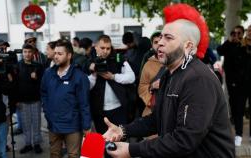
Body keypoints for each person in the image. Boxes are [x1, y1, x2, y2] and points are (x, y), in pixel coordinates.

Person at [103, 3, 234, 158]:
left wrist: (132, 150)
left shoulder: (198, 79)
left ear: (188, 46)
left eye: (168, 38)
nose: (160, 42)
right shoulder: (168, 75)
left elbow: (184, 140)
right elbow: (158, 118)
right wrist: (123, 130)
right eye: (160, 37)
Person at [41, 41, 91, 158]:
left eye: (60, 53)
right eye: (55, 53)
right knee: (54, 154)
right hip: (53, 123)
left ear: (69, 55)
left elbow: (84, 104)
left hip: (72, 125)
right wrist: (48, 113)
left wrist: (86, 126)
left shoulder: (79, 76)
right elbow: (44, 94)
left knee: (73, 155)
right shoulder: (48, 73)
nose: (56, 56)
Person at [88, 35, 135, 135]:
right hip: (99, 111)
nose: (105, 51)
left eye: (108, 48)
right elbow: (86, 87)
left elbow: (131, 77)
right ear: (95, 47)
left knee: (120, 140)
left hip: (118, 108)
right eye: (102, 48)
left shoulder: (118, 58)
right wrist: (94, 73)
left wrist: (113, 77)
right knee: (103, 142)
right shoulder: (88, 61)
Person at [217, 25, 246, 146]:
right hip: (231, 83)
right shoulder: (228, 45)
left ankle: (239, 135)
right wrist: (229, 41)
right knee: (234, 107)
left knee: (239, 109)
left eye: (239, 33)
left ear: (243, 34)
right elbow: (219, 51)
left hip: (244, 83)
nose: (236, 36)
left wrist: (240, 43)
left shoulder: (245, 46)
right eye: (234, 33)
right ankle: (236, 131)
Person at [15, 44, 44, 154]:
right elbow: (15, 84)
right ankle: (27, 144)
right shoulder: (17, 66)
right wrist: (16, 100)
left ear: (33, 53)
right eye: (25, 51)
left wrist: (36, 78)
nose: (27, 54)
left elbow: (42, 83)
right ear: (22, 52)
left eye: (29, 52)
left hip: (36, 99)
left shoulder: (38, 66)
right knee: (26, 124)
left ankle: (36, 144)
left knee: (36, 123)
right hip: (22, 100)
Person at [138, 32, 163, 117]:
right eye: (156, 42)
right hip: (154, 111)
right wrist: (152, 86)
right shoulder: (148, 64)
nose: (159, 44)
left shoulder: (175, 62)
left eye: (161, 41)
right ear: (152, 46)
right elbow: (142, 87)